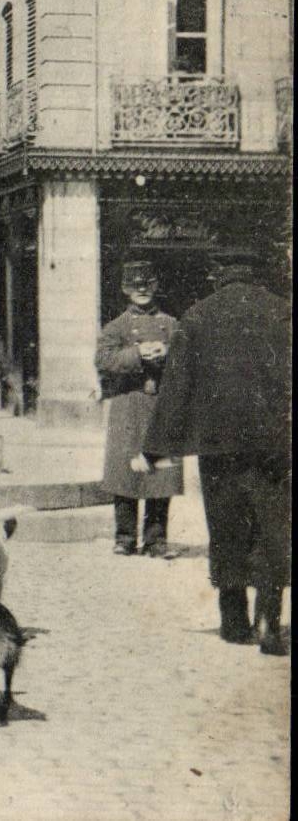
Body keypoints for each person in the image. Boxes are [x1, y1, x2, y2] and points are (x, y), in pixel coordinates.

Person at [140, 249, 290, 655]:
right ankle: (271, 623)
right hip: (273, 444)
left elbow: (177, 389)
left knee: (226, 529)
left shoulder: (198, 317)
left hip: (218, 445)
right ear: (256, 274)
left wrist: (156, 447)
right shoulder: (282, 313)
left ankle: (235, 623)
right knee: (271, 528)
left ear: (218, 274)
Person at [94, 260, 182, 557]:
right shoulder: (116, 326)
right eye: (135, 287)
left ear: (156, 287)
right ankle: (125, 537)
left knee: (160, 472)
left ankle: (157, 540)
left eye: (147, 286)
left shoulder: (171, 325)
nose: (142, 291)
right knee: (125, 472)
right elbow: (103, 361)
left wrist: (167, 353)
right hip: (127, 405)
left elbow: (188, 362)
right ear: (125, 290)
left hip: (160, 405)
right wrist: (137, 354)